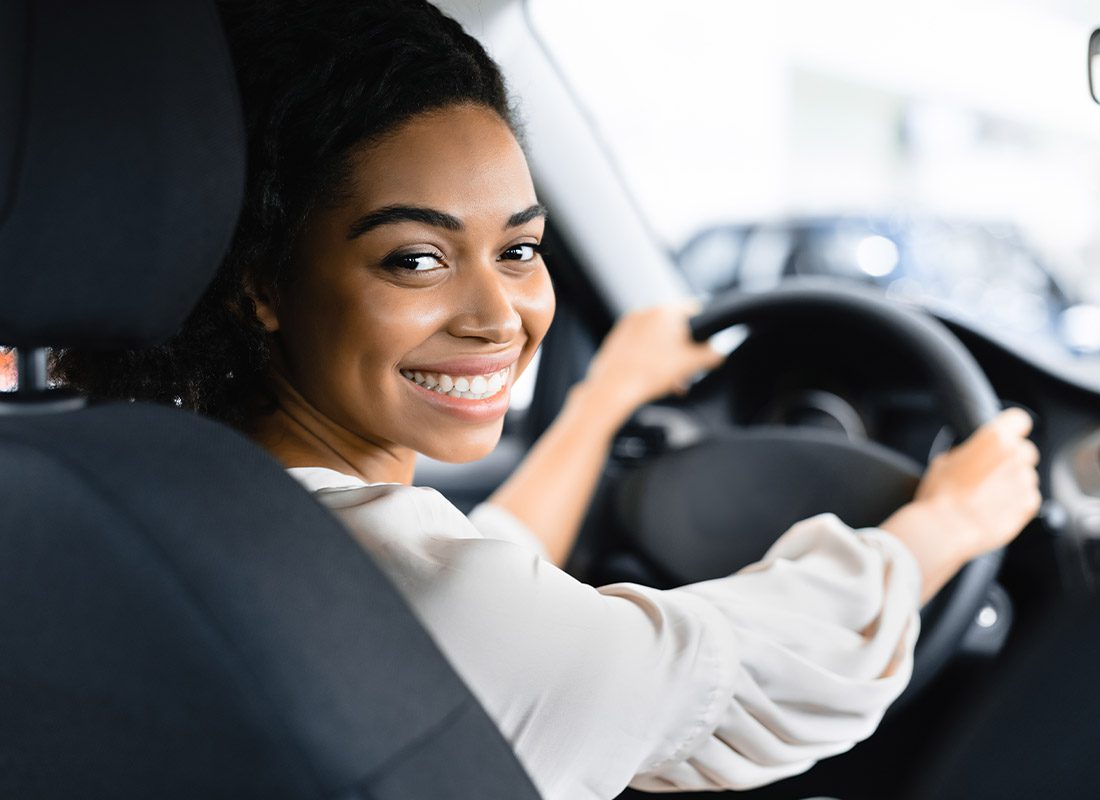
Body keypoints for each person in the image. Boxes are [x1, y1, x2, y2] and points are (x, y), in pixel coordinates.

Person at [56, 1, 1042, 797]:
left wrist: (598, 402)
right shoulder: (433, 607)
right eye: (415, 258)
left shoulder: (127, 509)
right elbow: (745, 671)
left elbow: (479, 577)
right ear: (260, 281)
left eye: (520, 249)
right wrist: (943, 524)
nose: (499, 316)